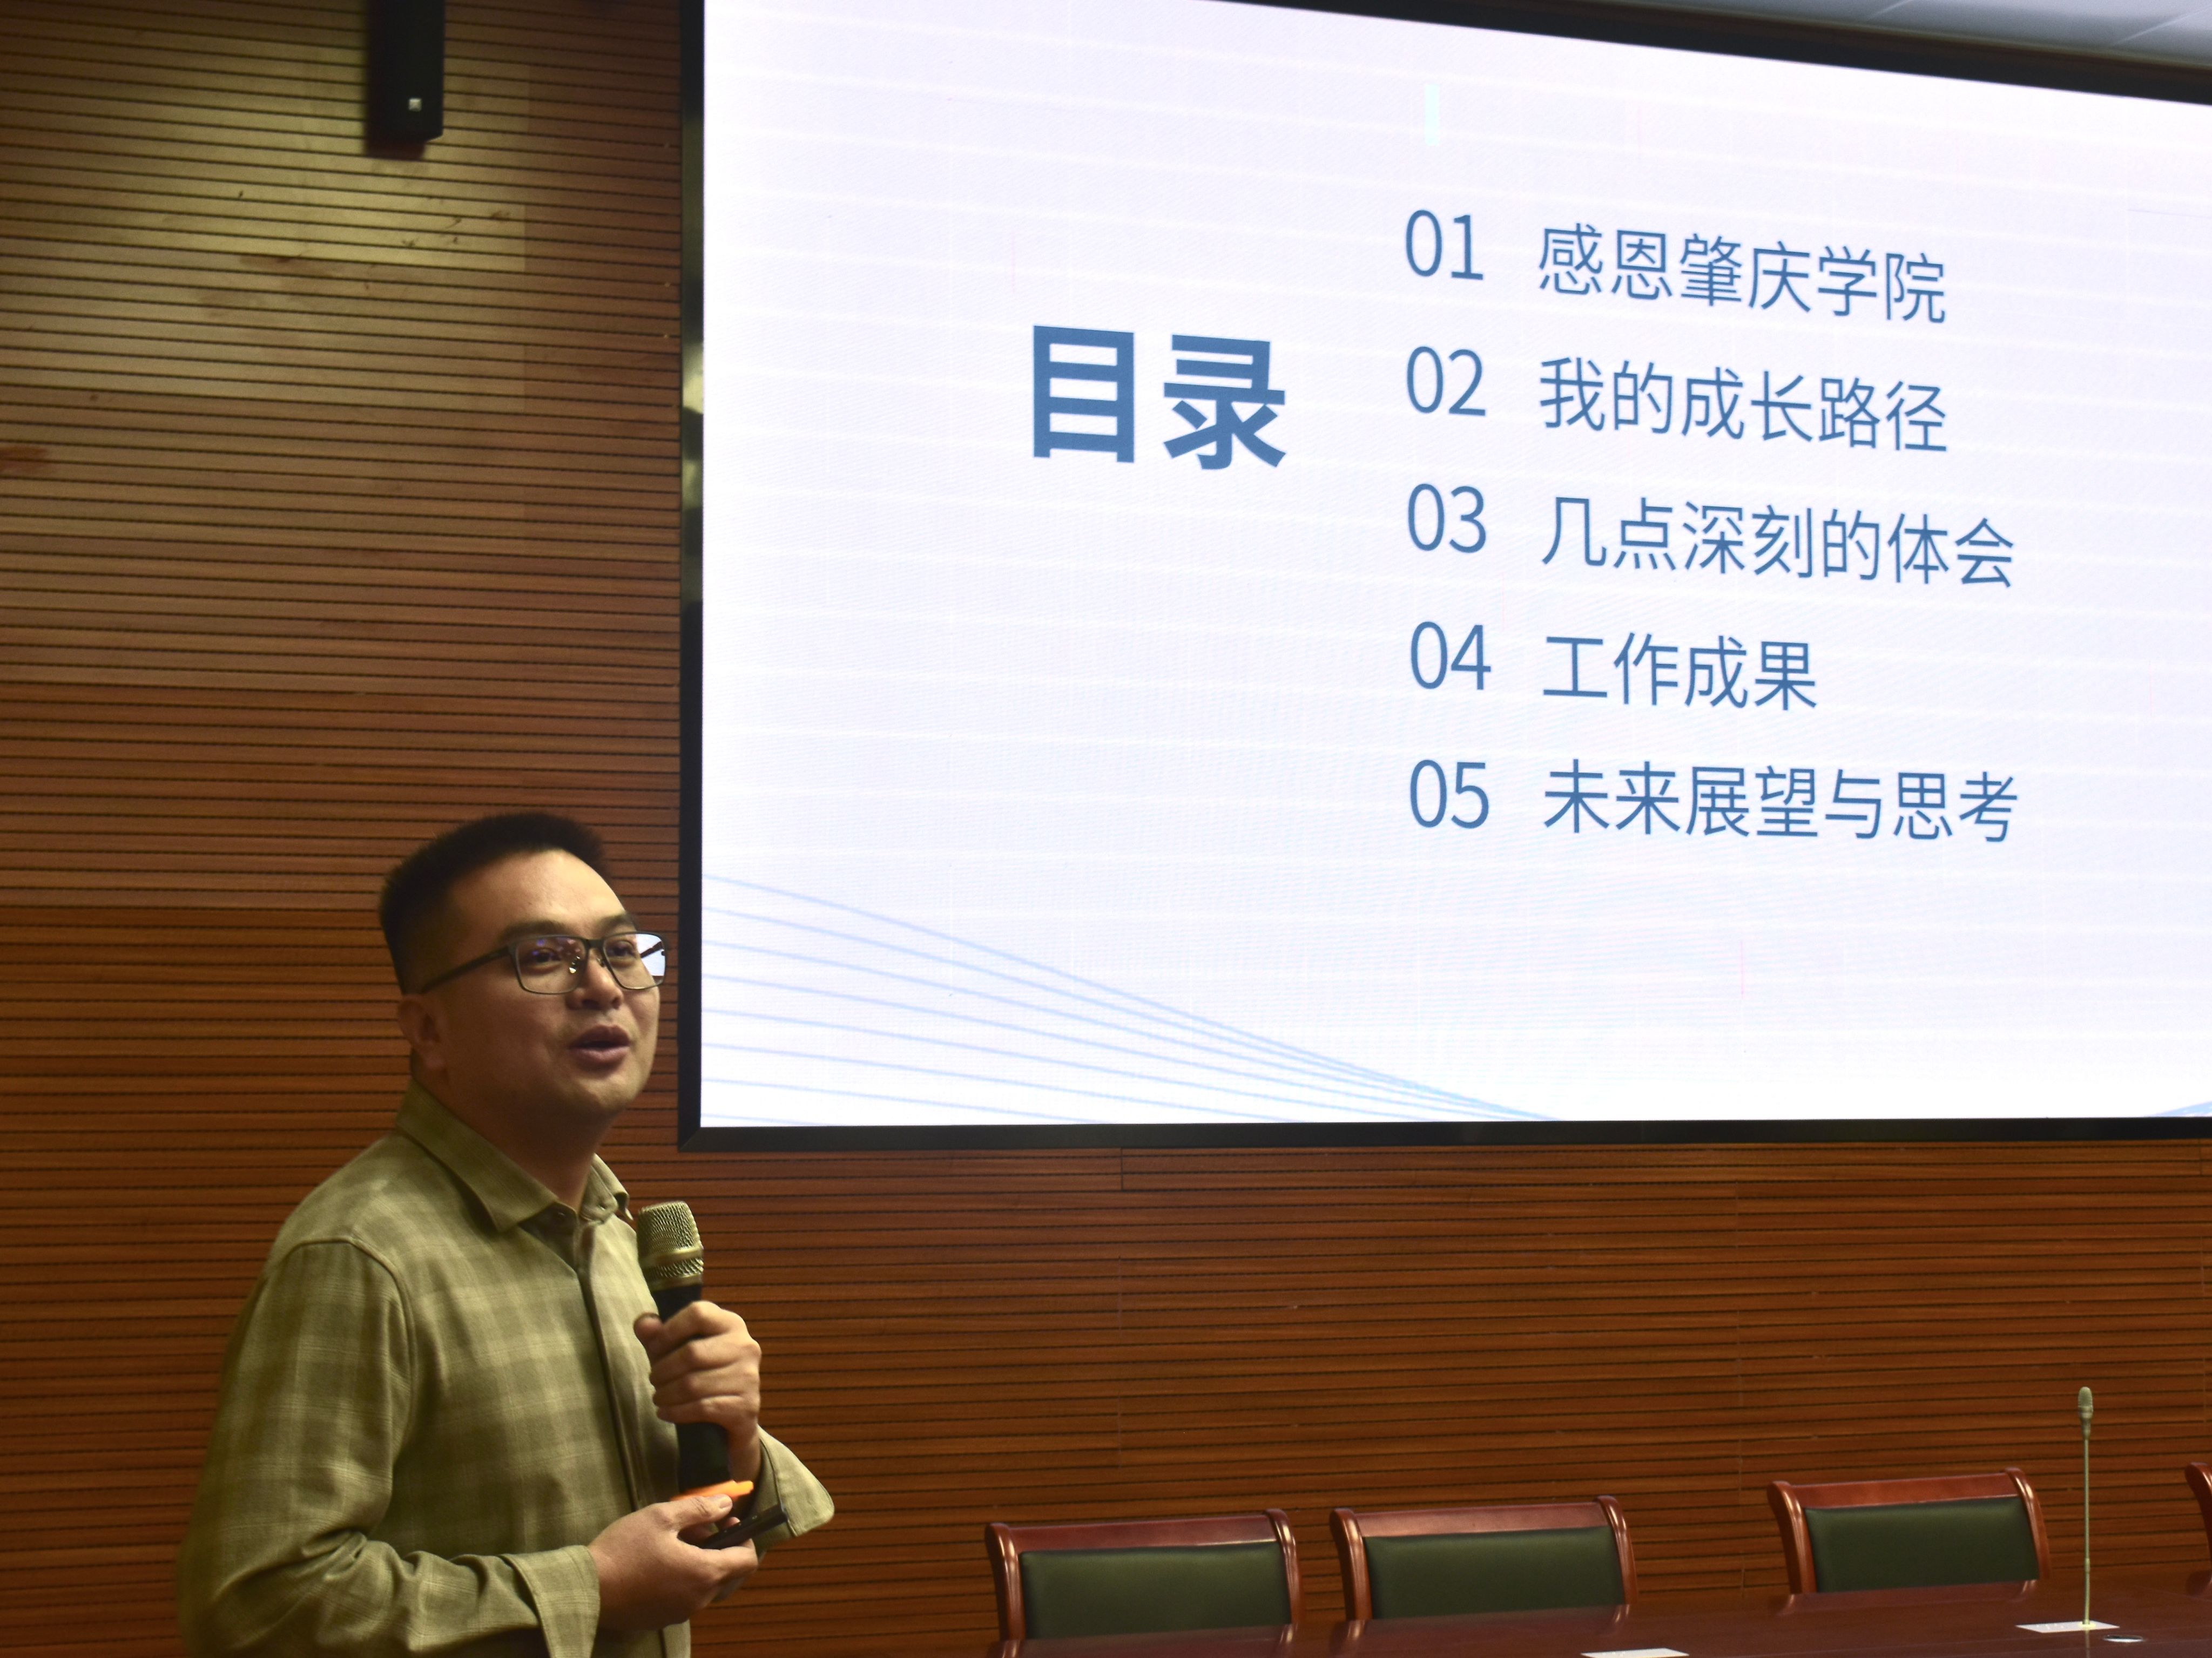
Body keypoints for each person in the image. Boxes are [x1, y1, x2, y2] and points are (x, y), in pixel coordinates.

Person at [178, 813, 830, 1656]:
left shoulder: (616, 1234)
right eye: (545, 957)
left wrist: (731, 1442)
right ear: (429, 1030)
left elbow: (683, 1555)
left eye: (621, 950)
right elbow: (256, 1607)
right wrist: (588, 1589)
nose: (603, 987)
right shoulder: (361, 1257)